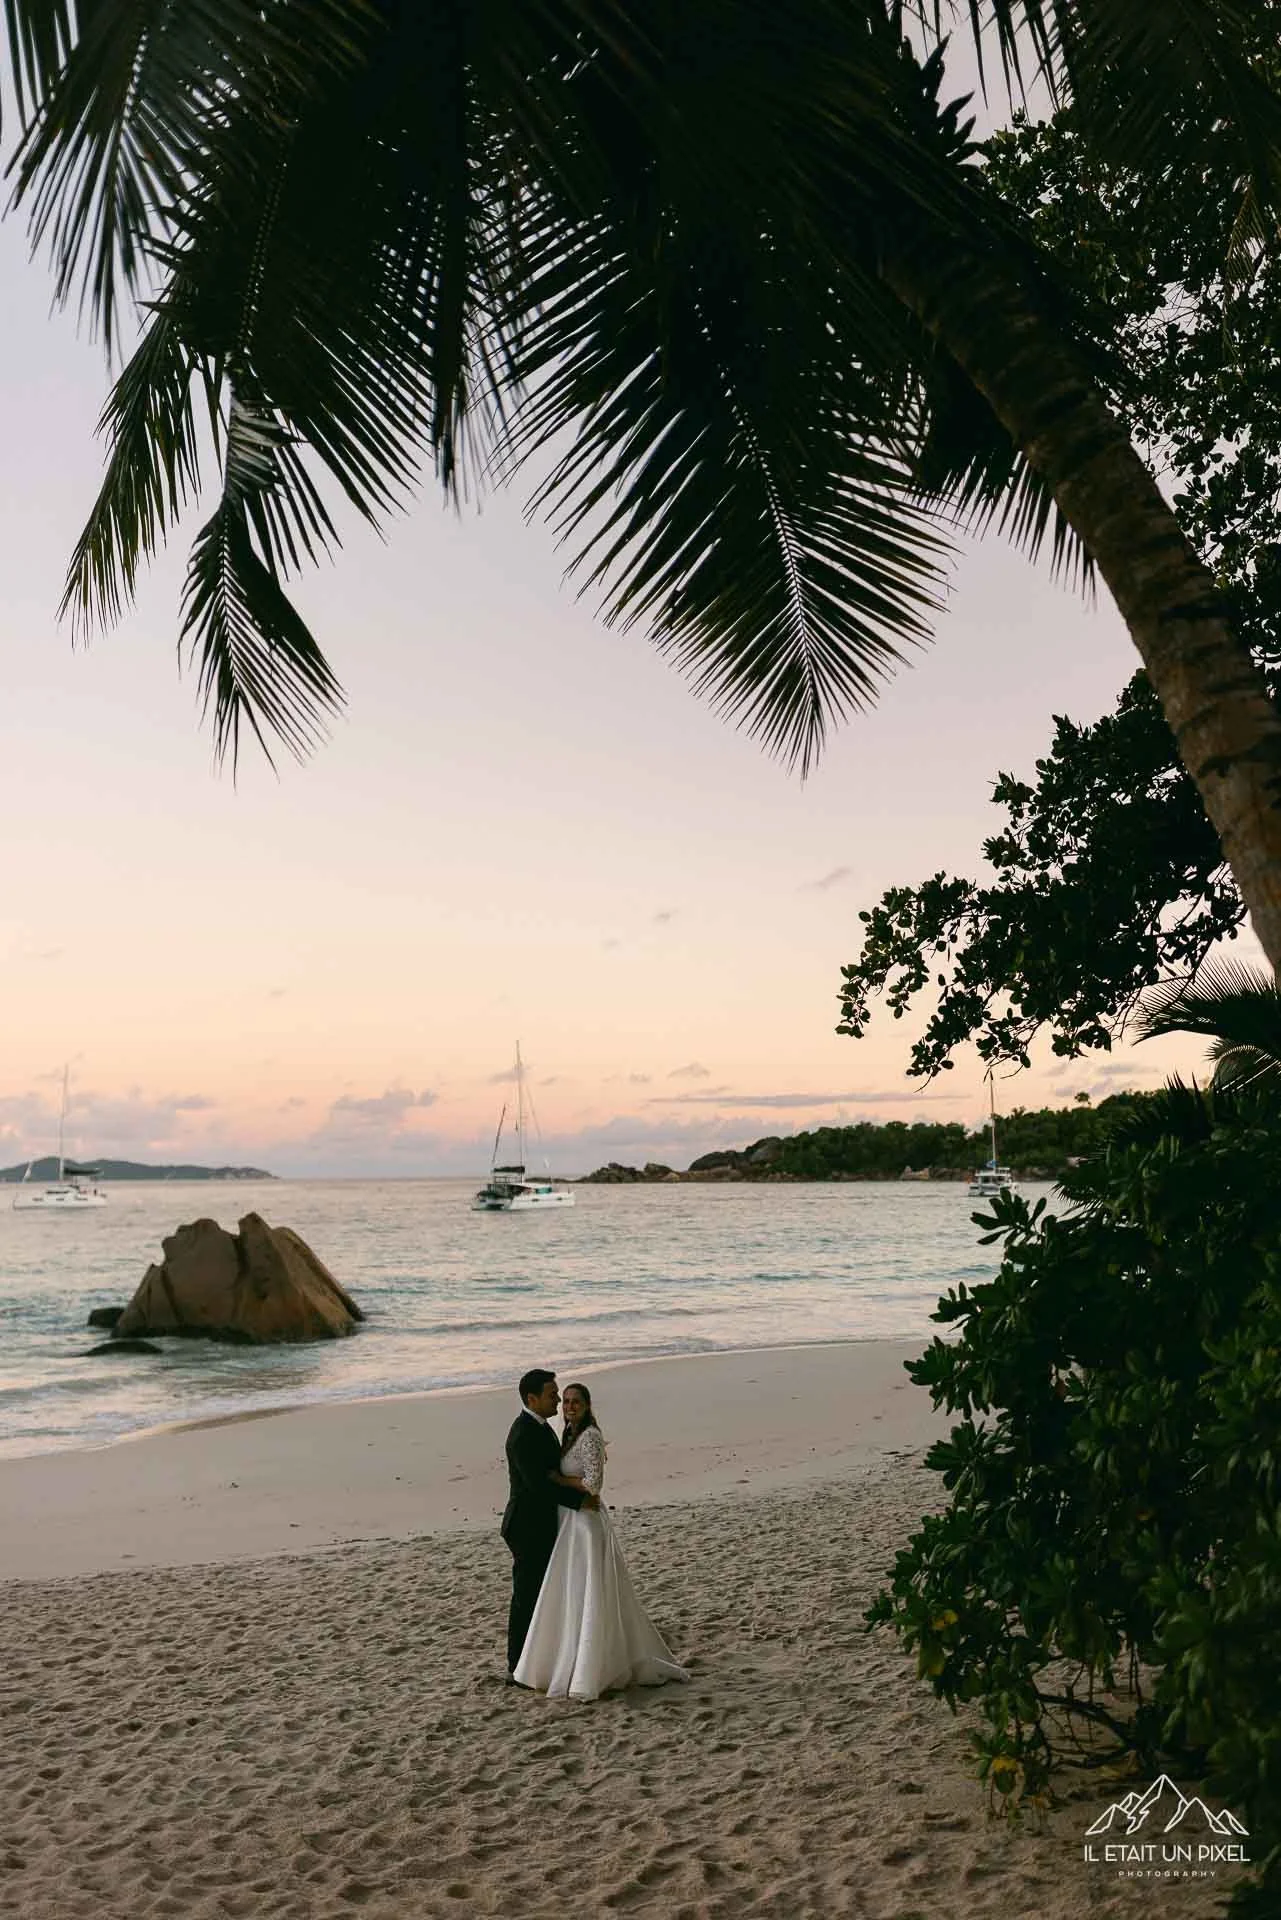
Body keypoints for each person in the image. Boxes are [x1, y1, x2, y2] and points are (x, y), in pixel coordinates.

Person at [512, 1381, 690, 1700]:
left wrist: (559, 1479)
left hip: (585, 1523)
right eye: (563, 1400)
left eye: (575, 1401)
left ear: (588, 1405)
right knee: (573, 1591)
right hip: (569, 1524)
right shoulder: (567, 1434)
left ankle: (593, 1665)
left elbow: (593, 1485)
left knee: (589, 1589)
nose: (568, 1406)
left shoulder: (590, 1436)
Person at [502, 1369, 598, 1680]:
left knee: (544, 1594)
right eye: (552, 1395)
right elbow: (537, 1485)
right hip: (527, 1527)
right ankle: (517, 1667)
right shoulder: (522, 1434)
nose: (558, 1400)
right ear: (532, 1399)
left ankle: (541, 1658)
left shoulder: (541, 1427)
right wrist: (579, 1501)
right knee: (527, 1597)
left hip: (546, 1523)